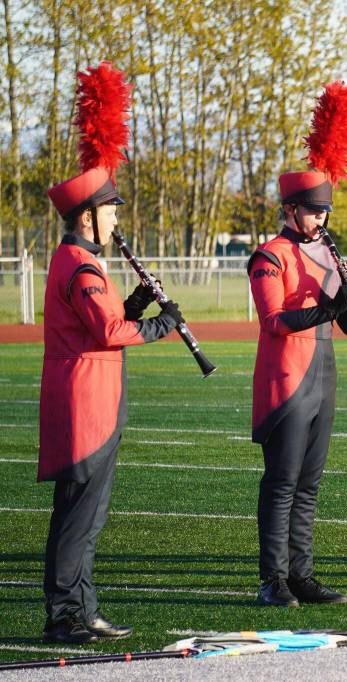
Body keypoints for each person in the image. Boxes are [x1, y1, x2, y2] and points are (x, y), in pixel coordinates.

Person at [39, 63, 182, 644]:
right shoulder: (79, 261)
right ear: (87, 214)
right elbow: (105, 331)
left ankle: (79, 608)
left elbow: (98, 318)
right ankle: (65, 615)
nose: (117, 219)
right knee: (80, 516)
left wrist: (134, 301)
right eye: (112, 210)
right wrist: (159, 326)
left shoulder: (83, 264)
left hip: (94, 398)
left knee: (87, 516)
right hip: (85, 404)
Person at [249, 81, 347, 607]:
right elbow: (275, 319)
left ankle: (301, 575)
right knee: (282, 482)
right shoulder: (268, 255)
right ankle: (272, 579)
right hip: (287, 379)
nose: (322, 221)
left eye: (325, 213)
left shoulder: (325, 256)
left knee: (310, 484)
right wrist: (328, 305)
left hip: (323, 374)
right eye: (315, 212)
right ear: (292, 209)